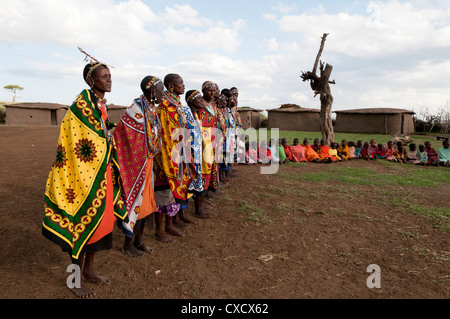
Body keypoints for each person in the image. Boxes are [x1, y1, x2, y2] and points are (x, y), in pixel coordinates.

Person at [42, 54, 128, 298]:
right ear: (92, 80)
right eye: (104, 77)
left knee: (100, 224)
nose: (109, 80)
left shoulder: (99, 104)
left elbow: (104, 132)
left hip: (101, 174)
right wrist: (109, 140)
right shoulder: (81, 106)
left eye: (110, 76)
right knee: (79, 226)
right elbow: (82, 140)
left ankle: (89, 271)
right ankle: (73, 279)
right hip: (82, 177)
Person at [113, 75, 164, 257]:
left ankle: (139, 240)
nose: (163, 94)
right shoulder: (135, 110)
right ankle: (127, 244)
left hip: (147, 163)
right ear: (152, 91)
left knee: (145, 205)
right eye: (161, 90)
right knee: (134, 203)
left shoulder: (150, 109)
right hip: (135, 166)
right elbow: (123, 138)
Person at [153, 74, 195, 241]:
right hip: (166, 159)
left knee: (173, 192)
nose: (183, 86)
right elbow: (164, 135)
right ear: (171, 86)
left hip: (179, 155)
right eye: (180, 83)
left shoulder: (177, 104)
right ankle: (159, 230)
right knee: (162, 194)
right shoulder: (164, 107)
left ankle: (170, 225)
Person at [184, 90, 210, 218]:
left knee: (199, 181)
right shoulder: (185, 113)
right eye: (198, 99)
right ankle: (183, 214)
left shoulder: (197, 114)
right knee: (187, 184)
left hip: (198, 154)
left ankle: (198, 209)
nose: (201, 101)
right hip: (189, 155)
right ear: (190, 100)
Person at [196, 81, 219, 210]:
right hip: (204, 145)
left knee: (209, 171)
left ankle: (203, 200)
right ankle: (198, 205)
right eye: (210, 90)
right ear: (203, 91)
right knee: (203, 172)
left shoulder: (212, 106)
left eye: (214, 90)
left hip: (212, 143)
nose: (212, 93)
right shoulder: (200, 105)